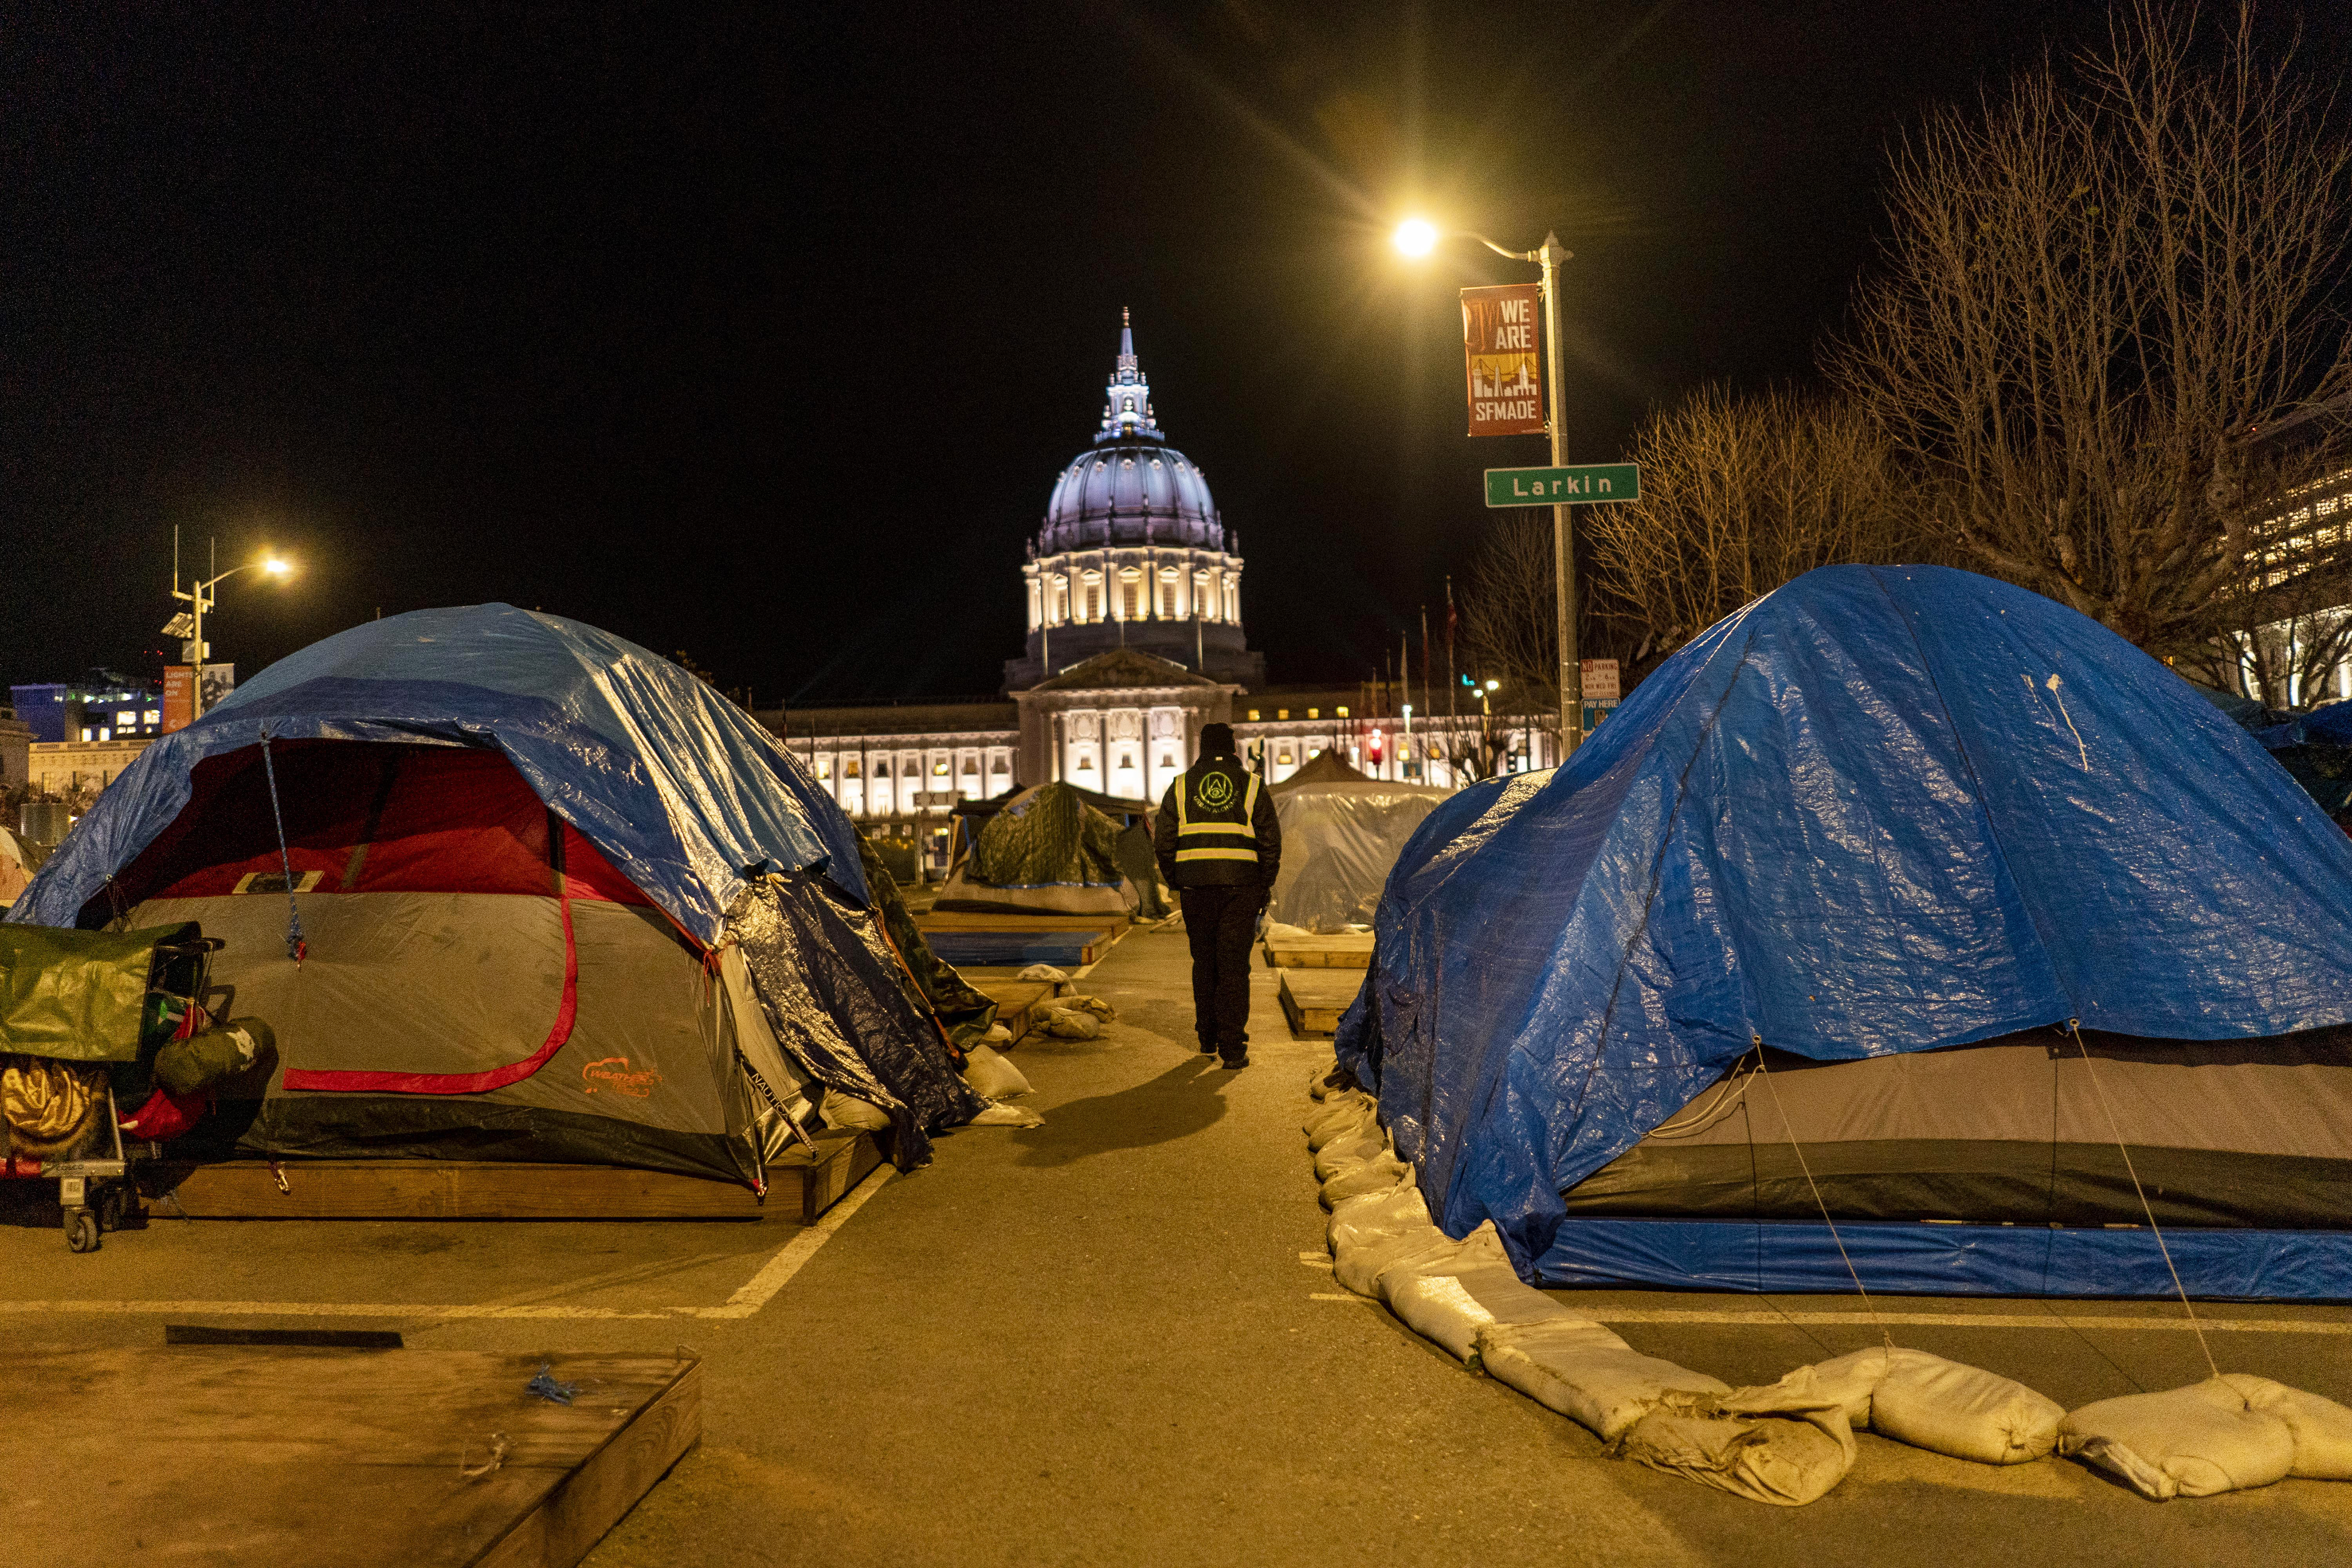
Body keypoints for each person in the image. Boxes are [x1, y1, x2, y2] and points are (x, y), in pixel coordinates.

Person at [1154, 722, 1280, 1068]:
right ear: (1234, 748)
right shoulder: (1252, 785)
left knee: (1205, 963)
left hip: (1196, 889)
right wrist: (1263, 884)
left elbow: (1164, 841)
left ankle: (1207, 1037)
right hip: (1242, 889)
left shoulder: (1180, 787)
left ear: (1202, 749)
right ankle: (1233, 1048)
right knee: (1235, 967)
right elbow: (1270, 841)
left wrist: (1177, 879)